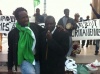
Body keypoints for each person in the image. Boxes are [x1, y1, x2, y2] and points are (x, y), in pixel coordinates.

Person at [7, 7, 44, 74]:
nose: (26, 19)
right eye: (23, 18)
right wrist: (9, 68)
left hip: (36, 59)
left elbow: (46, 31)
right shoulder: (13, 34)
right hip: (24, 60)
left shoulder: (34, 27)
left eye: (26, 17)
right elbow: (10, 51)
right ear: (17, 19)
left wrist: (60, 29)